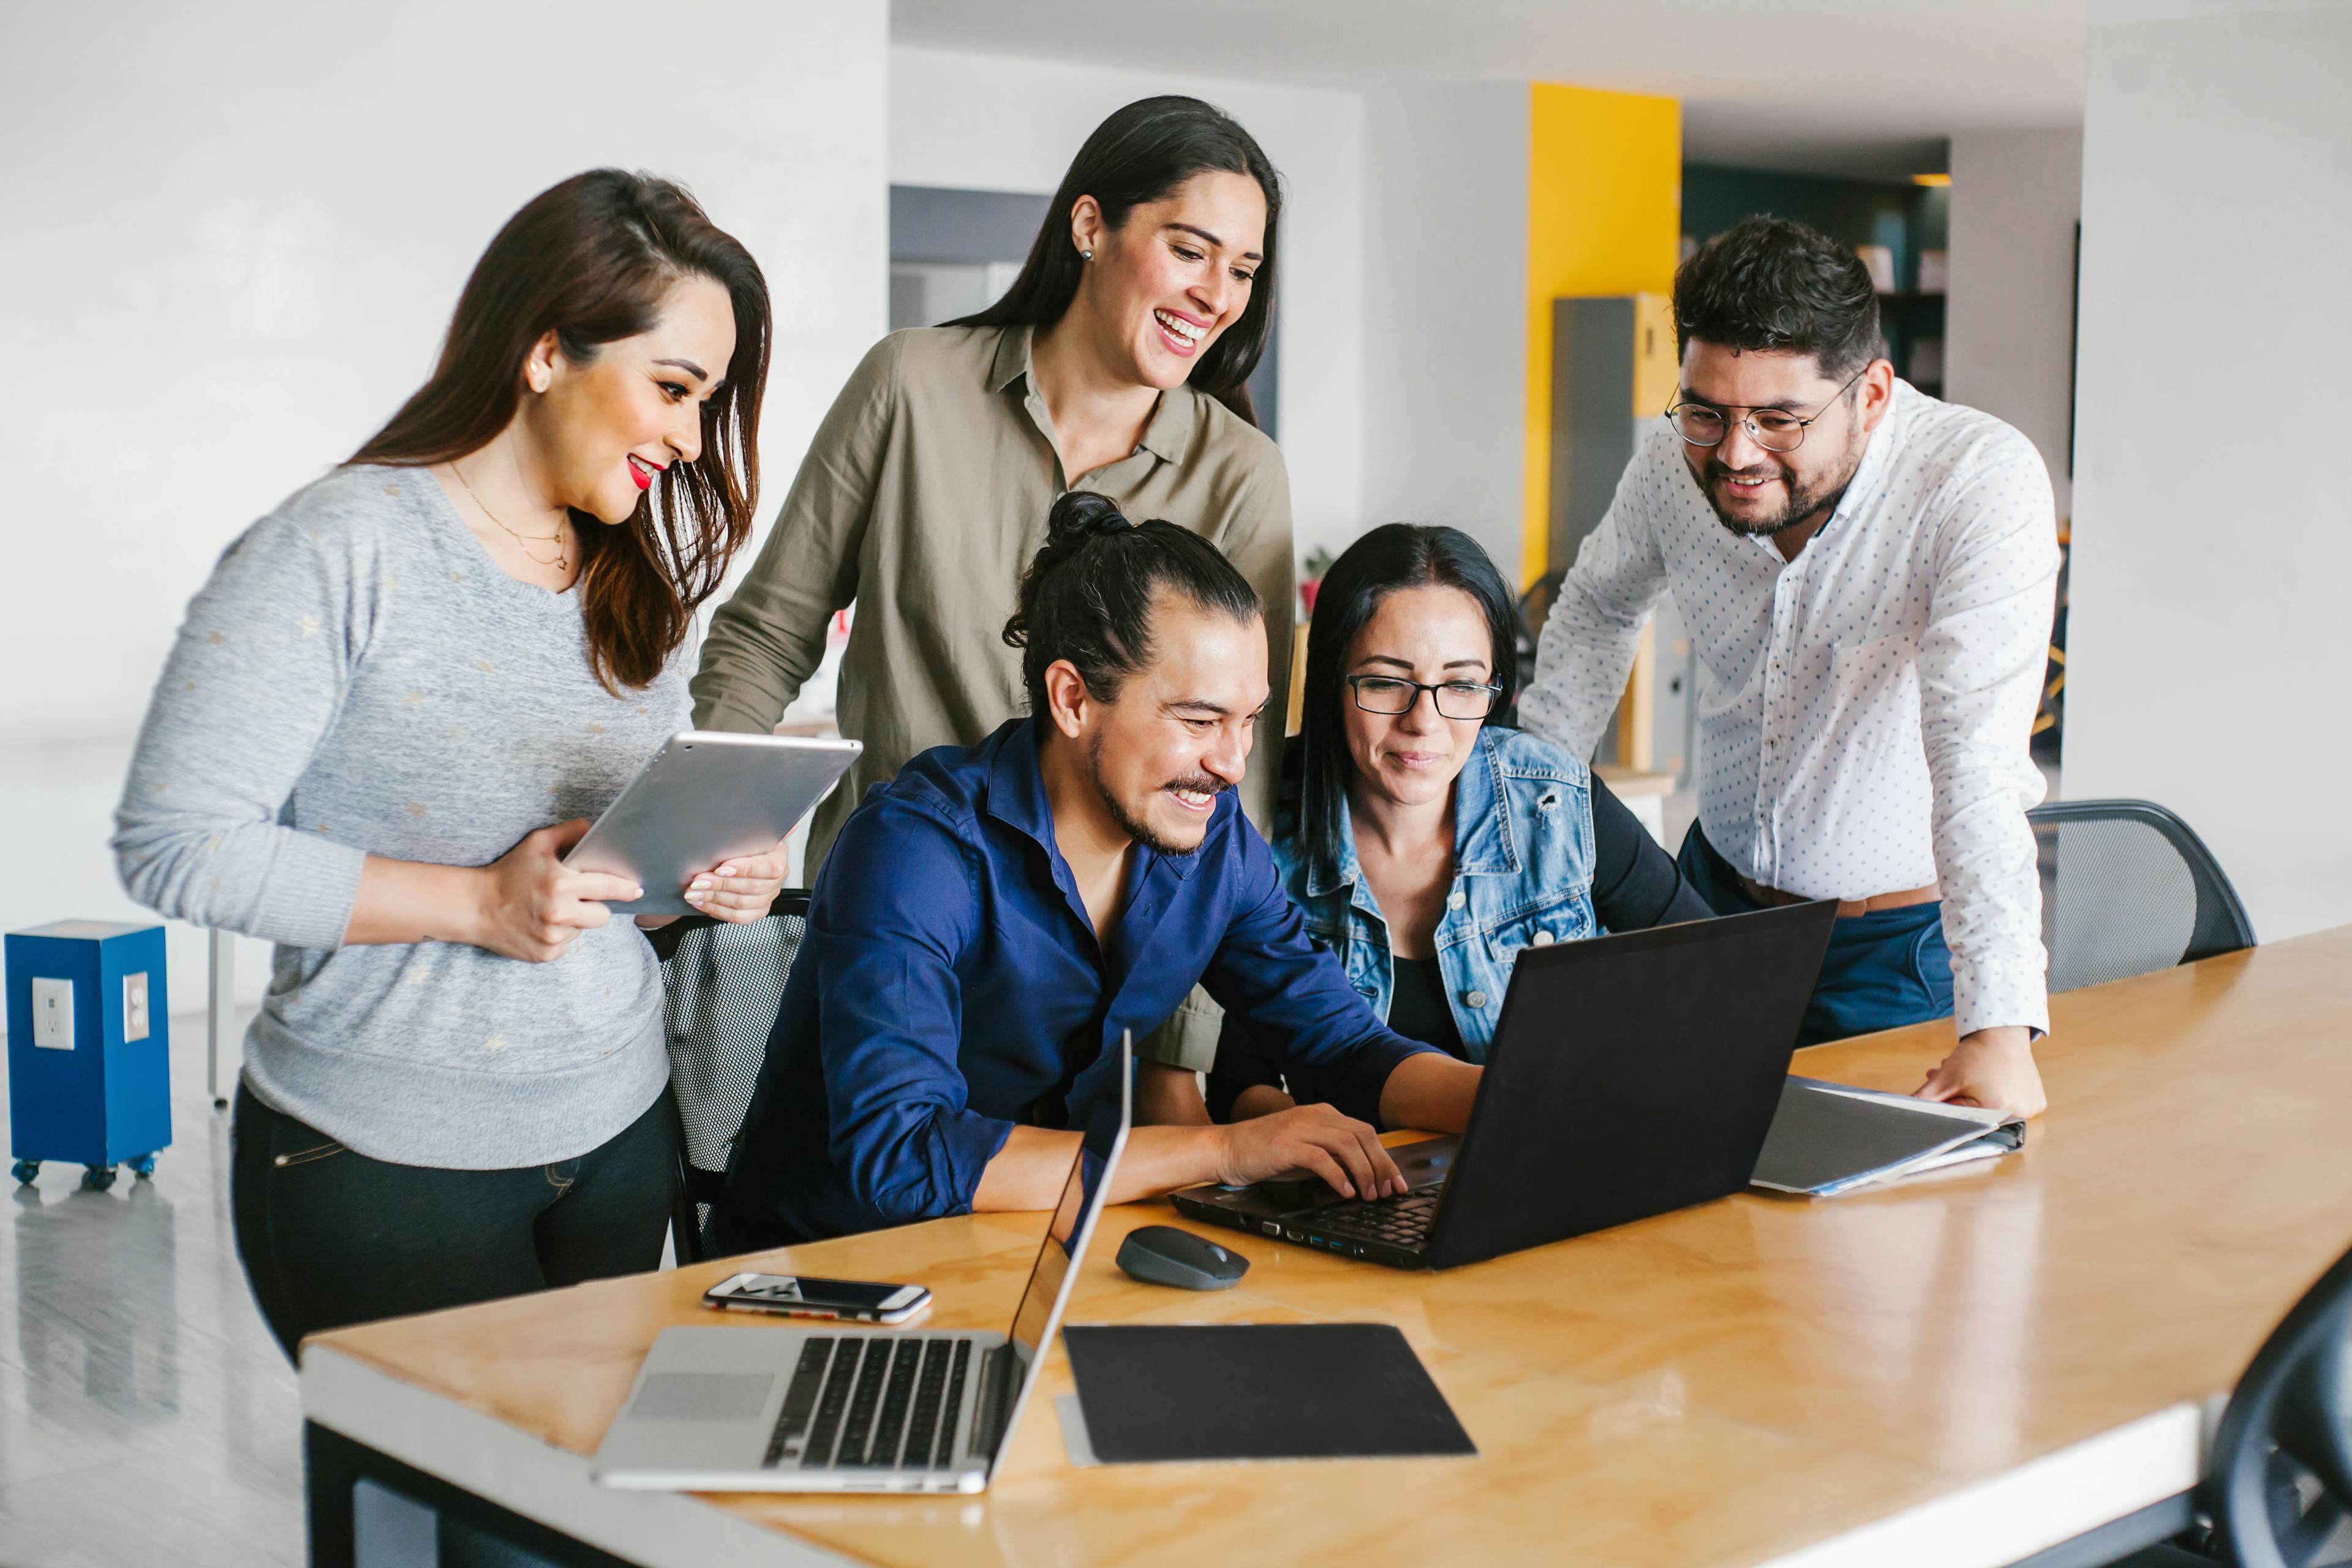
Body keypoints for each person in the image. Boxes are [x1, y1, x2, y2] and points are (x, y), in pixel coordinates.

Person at [113, 171, 787, 1360]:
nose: (691, 439)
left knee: (582, 1530)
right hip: (380, 1159)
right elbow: (177, 845)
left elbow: (606, 879)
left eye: (708, 401)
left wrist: (705, 870)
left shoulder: (634, 579)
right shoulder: (338, 549)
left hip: (618, 1128)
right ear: (544, 353)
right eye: (673, 389)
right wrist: (478, 903)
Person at [688, 94, 1295, 1080]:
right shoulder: (910, 386)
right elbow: (767, 632)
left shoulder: (1240, 474)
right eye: (1191, 251)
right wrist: (725, 823)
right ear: (1091, 224)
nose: (1219, 295)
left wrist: (1177, 1056)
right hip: (884, 941)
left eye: (1244, 270)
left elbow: (1229, 779)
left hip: (1100, 995)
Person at [707, 494, 1483, 1249]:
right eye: (1200, 719)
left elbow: (1342, 1042)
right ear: (1073, 698)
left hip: (1034, 1255)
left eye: (1248, 720)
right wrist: (1224, 1151)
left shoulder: (1213, 845)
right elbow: (902, 1157)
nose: (1232, 761)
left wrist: (1518, 1102)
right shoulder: (916, 849)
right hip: (821, 1275)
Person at [1519, 216, 2060, 1115]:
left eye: (1778, 420)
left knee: (1862, 1245)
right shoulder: (1673, 462)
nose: (1735, 453)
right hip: (1709, 905)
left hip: (1895, 949)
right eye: (1708, 411)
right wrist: (1525, 817)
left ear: (1873, 395)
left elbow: (1977, 759)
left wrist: (1997, 1029)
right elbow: (1597, 610)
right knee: (1663, 1183)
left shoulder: (1973, 484)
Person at [1202, 524, 1716, 1120]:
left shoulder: (1550, 800)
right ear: (1333, 680)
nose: (1425, 721)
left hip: (1541, 1163)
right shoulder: (1253, 825)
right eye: (1388, 682)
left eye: (1462, 684)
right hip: (1346, 1190)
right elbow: (1237, 1081)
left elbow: (1710, 976)